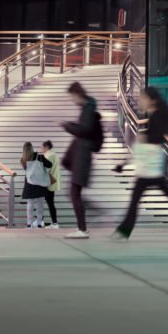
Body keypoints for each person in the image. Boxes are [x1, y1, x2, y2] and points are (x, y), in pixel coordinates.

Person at [111, 87, 168, 241]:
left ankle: (124, 231)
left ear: (151, 100)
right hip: (150, 164)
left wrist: (143, 137)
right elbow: (152, 138)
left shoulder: (158, 115)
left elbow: (157, 136)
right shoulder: (156, 114)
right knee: (165, 198)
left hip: (150, 166)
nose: (140, 102)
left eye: (143, 98)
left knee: (138, 200)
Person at [60, 82, 97, 239]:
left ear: (77, 94)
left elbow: (85, 130)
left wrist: (68, 126)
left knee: (74, 193)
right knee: (74, 194)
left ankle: (82, 228)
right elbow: (84, 128)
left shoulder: (88, 108)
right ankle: (83, 226)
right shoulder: (87, 108)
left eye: (72, 96)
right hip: (81, 156)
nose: (72, 100)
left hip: (82, 157)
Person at [20, 142, 52, 229]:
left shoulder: (23, 159)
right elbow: (50, 165)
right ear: (32, 148)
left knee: (30, 203)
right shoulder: (39, 157)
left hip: (30, 183)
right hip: (40, 183)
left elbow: (27, 170)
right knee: (40, 203)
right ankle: (38, 223)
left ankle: (29, 223)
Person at [41, 140, 61, 229]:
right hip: (49, 182)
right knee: (49, 202)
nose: (41, 149)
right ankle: (54, 223)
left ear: (46, 147)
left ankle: (54, 223)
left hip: (48, 183)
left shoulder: (50, 155)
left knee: (49, 203)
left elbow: (45, 168)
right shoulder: (53, 154)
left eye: (42, 147)